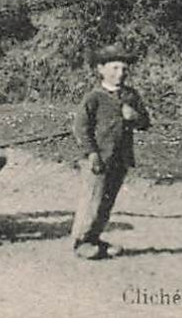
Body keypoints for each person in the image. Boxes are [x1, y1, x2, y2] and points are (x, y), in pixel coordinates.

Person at [69, 45, 152, 260]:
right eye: (114, 68)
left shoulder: (130, 96)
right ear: (101, 69)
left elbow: (145, 123)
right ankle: (81, 241)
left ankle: (95, 239)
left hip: (120, 157)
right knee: (92, 200)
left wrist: (133, 116)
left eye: (124, 69)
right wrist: (92, 154)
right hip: (97, 159)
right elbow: (81, 128)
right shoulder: (94, 97)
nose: (120, 73)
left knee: (107, 202)